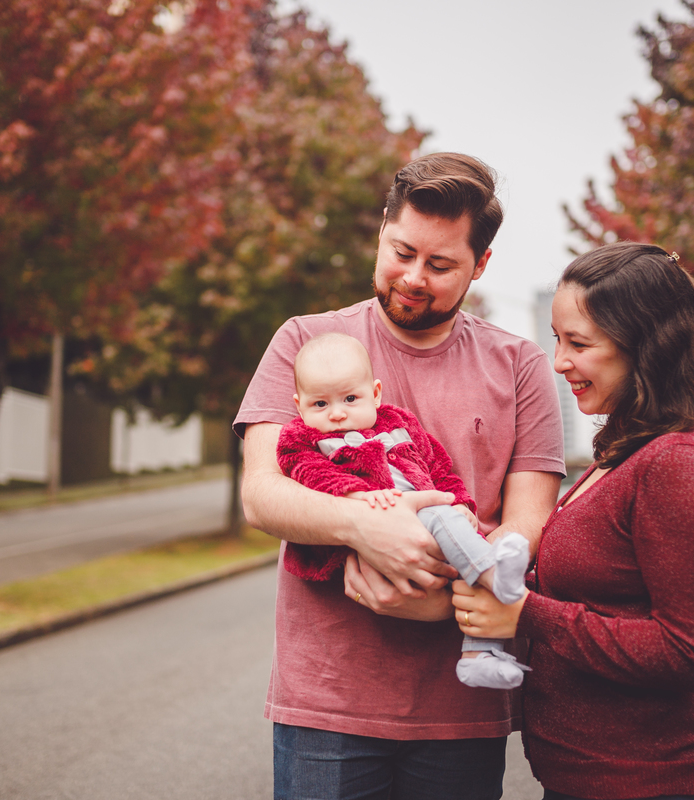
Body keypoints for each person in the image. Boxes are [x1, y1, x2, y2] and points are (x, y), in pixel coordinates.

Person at [235, 152, 565, 800]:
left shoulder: (521, 365)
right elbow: (262, 493)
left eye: (440, 265)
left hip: (462, 706)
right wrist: (364, 527)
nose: (413, 277)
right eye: (401, 252)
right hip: (327, 703)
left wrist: (445, 600)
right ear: (382, 232)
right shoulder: (304, 342)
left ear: (480, 265)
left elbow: (530, 522)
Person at [450, 241, 694, 800]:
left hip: (649, 784)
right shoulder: (621, 453)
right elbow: (593, 588)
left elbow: (691, 653)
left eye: (579, 343)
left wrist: (526, 613)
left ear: (646, 345)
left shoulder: (675, 463)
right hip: (585, 781)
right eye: (557, 339)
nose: (559, 361)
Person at [278, 331, 533, 690]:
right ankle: (495, 574)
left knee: (465, 573)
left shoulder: (398, 423)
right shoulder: (301, 438)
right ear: (299, 405)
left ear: (375, 393)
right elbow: (306, 471)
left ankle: (480, 655)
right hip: (379, 528)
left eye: (350, 398)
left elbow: (437, 465)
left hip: (429, 513)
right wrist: (353, 495)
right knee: (449, 527)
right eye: (320, 404)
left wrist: (460, 501)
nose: (337, 413)